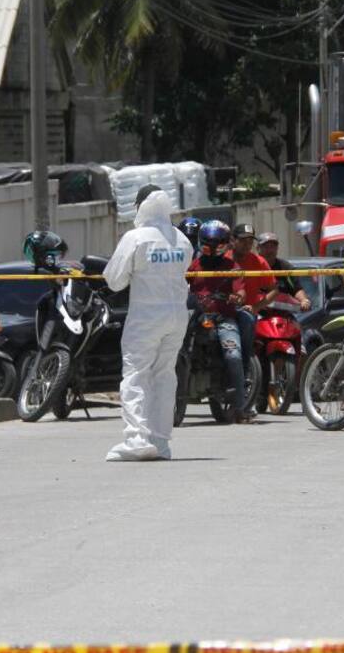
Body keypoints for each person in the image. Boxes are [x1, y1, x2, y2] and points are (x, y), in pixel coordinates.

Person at [104, 185, 194, 459]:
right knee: (165, 376)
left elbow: (115, 280)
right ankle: (161, 442)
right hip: (178, 316)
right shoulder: (181, 239)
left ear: (141, 206)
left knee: (135, 374)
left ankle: (136, 440)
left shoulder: (136, 237)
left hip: (146, 316)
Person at [188, 220, 253, 423]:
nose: (213, 247)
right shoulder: (193, 266)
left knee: (233, 355)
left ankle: (241, 408)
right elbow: (181, 286)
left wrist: (238, 297)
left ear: (225, 244)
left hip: (224, 319)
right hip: (197, 318)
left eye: (218, 243)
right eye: (209, 243)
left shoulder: (232, 266)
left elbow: (241, 290)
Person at [227, 223, 276, 370]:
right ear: (232, 240)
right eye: (242, 241)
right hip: (222, 311)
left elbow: (274, 290)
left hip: (246, 311)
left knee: (247, 320)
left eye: (250, 242)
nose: (247, 245)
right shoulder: (223, 259)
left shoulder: (259, 262)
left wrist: (256, 307)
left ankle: (244, 368)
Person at [256, 233, 312, 311]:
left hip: (282, 313)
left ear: (277, 248)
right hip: (256, 312)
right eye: (266, 246)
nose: (270, 250)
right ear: (258, 248)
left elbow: (296, 288)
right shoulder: (251, 266)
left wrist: (304, 301)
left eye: (273, 246)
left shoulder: (285, 267)